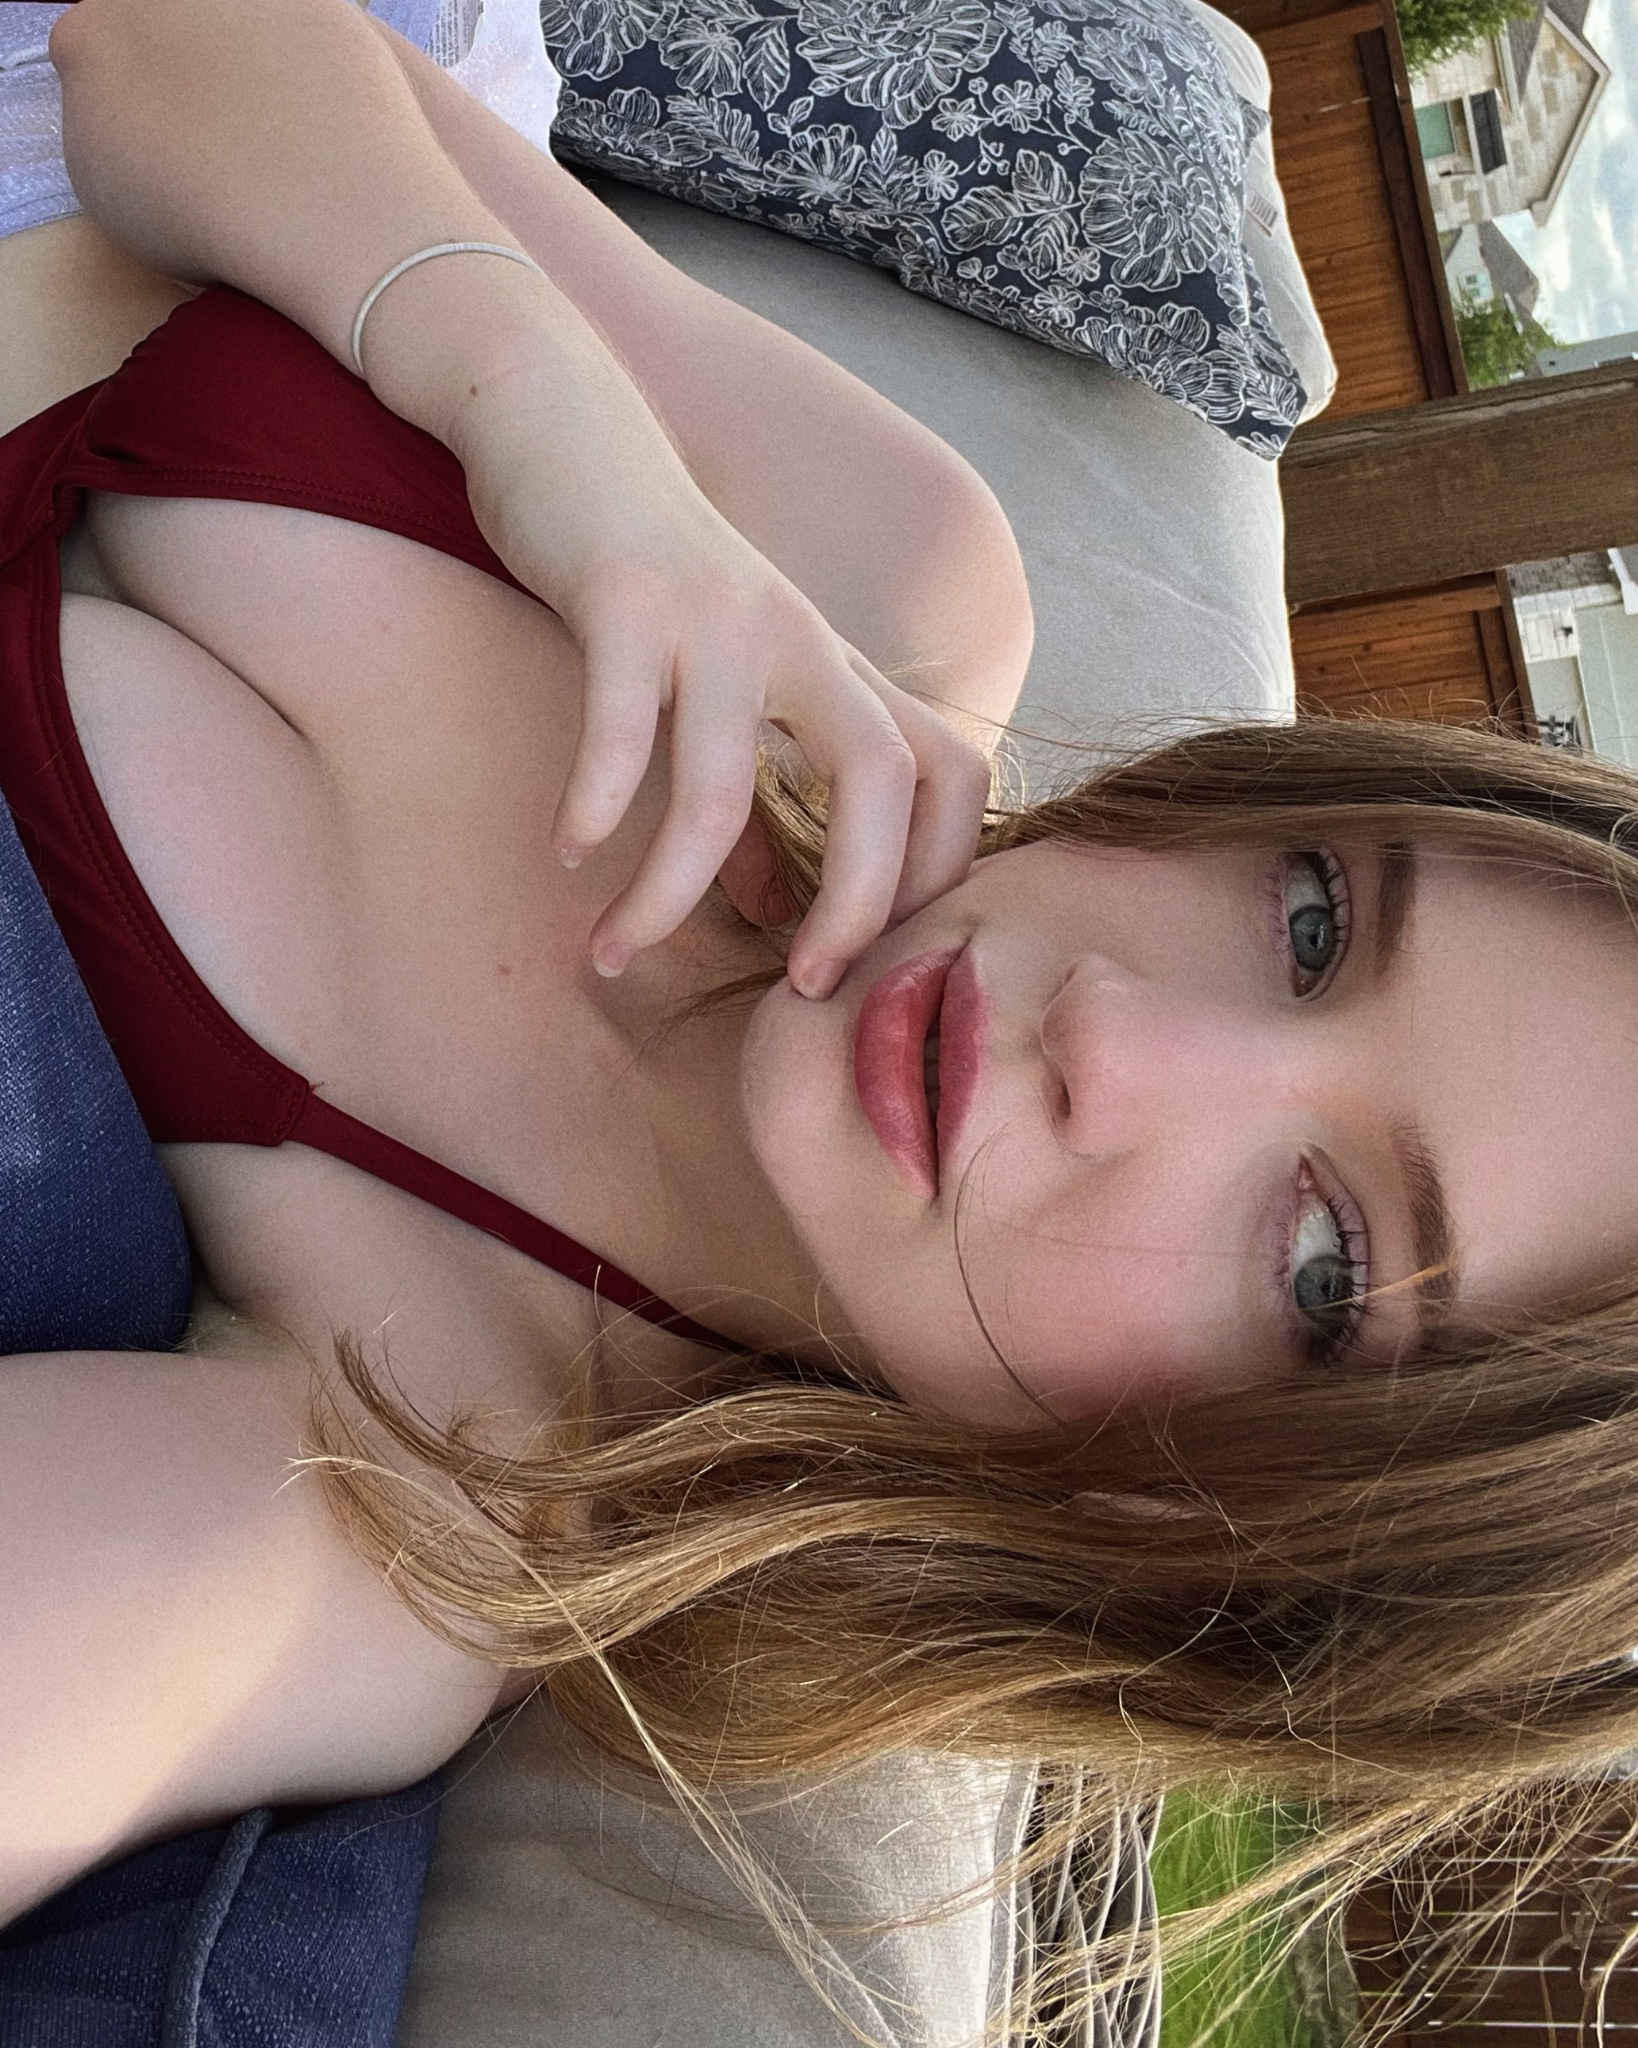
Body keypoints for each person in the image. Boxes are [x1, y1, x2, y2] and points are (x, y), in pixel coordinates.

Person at [7, 0, 1638, 2032]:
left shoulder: (416, 1507)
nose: (1118, 1035)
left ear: (1199, 1521)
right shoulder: (896, 589)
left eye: (1322, 1260)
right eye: (1309, 921)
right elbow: (171, 49)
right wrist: (565, 440)